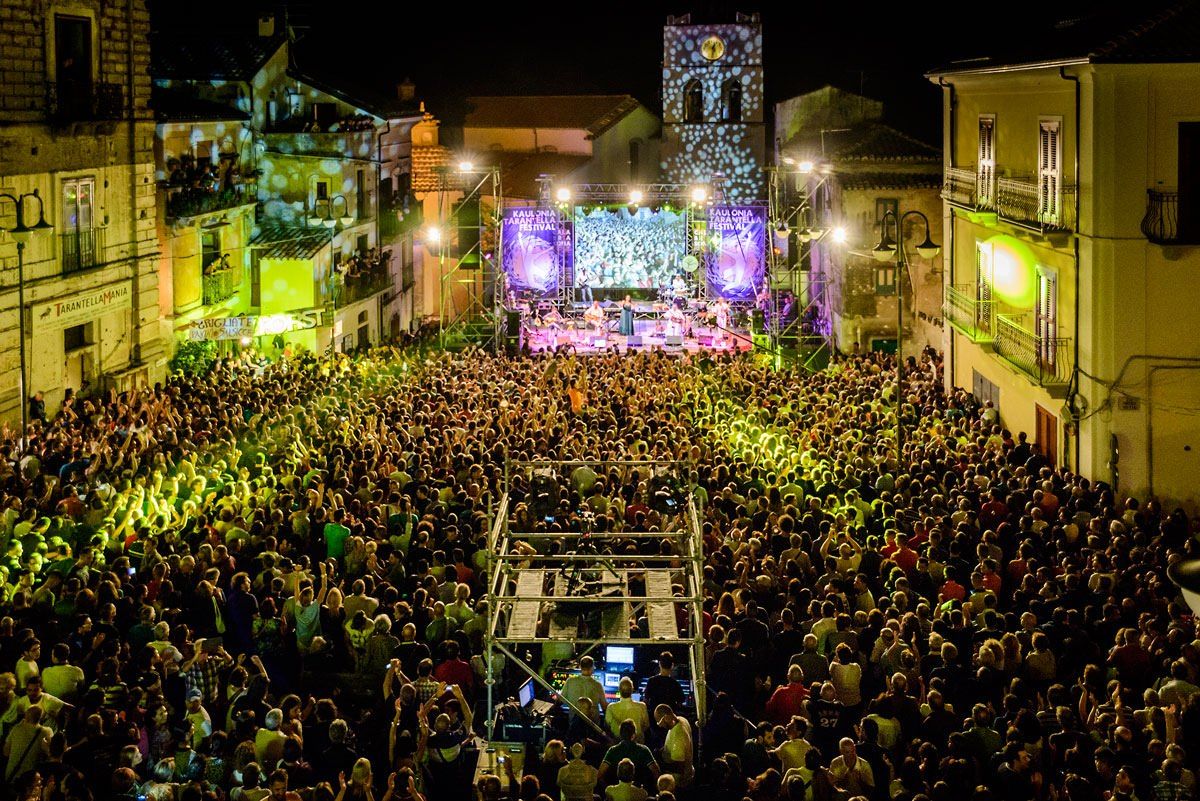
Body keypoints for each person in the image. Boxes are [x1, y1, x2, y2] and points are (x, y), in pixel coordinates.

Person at [653, 705, 693, 789]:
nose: (660, 726)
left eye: (660, 723)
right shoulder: (682, 720)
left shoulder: (678, 735)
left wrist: (660, 764)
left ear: (666, 717)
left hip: (677, 781)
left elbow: (679, 767)